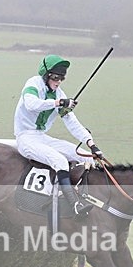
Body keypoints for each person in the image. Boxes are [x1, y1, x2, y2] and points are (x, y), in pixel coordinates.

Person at [14, 54, 105, 218]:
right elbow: (31, 104)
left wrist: (91, 144)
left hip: (42, 137)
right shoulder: (33, 83)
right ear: (46, 75)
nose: (58, 82)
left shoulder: (59, 93)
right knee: (60, 161)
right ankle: (74, 205)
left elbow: (72, 123)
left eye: (62, 78)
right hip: (25, 138)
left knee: (86, 157)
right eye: (55, 77)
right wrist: (59, 103)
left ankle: (89, 198)